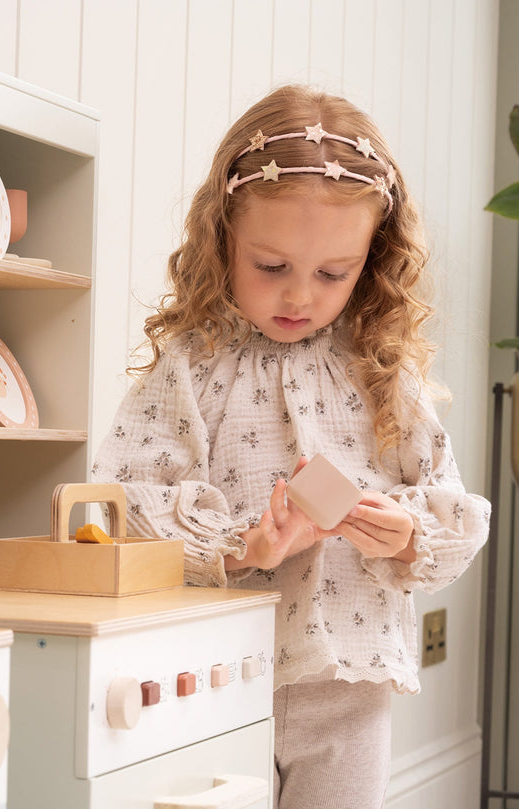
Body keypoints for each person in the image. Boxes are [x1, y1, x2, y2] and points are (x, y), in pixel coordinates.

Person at [92, 84, 490, 809]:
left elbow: (447, 504)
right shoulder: (194, 363)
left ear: (370, 259)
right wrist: (243, 544)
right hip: (210, 670)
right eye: (271, 266)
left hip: (348, 674)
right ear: (223, 237)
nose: (300, 295)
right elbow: (125, 496)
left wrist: (403, 534)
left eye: (334, 273)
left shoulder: (381, 369)